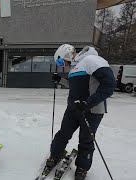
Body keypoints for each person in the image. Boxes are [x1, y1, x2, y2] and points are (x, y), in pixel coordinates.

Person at [45, 44, 116, 180]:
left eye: (61, 61)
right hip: (73, 109)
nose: (62, 65)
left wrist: (88, 103)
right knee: (63, 134)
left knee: (86, 140)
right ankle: (55, 155)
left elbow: (109, 85)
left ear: (66, 54)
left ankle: (82, 168)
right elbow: (74, 87)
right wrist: (60, 80)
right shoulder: (75, 67)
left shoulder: (92, 60)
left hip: (91, 110)